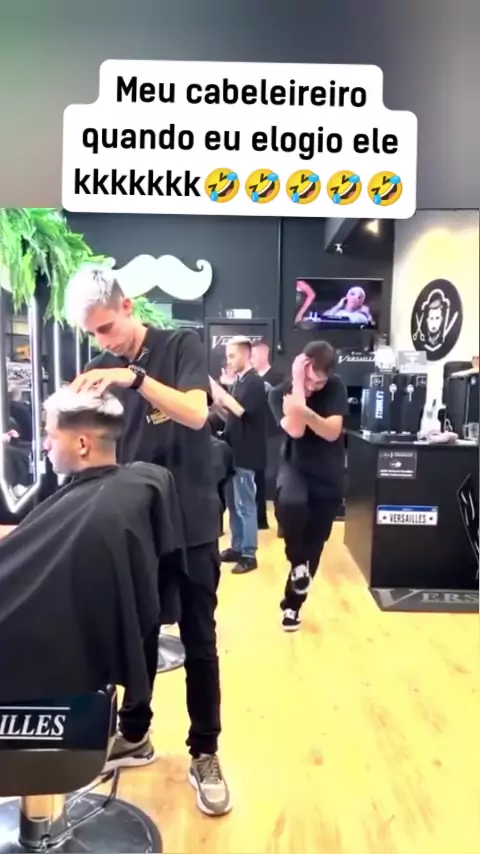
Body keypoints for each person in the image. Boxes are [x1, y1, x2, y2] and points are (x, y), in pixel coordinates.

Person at [63, 267, 231, 817]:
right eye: (93, 333)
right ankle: (134, 733)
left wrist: (131, 378)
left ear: (128, 306)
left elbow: (196, 413)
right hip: (135, 527)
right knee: (134, 638)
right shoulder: (98, 368)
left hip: (193, 521)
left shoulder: (181, 345)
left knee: (199, 641)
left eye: (107, 327)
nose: (103, 341)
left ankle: (204, 751)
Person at [0, 388, 187, 710]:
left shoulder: (97, 513)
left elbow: (39, 553)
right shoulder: (137, 482)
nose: (45, 445)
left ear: (82, 444)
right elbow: (39, 536)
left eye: (50, 435)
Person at [269, 341, 348, 632]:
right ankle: (297, 561)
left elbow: (332, 432)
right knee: (289, 504)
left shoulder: (335, 387)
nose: (314, 386)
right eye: (310, 379)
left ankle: (292, 605)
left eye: (320, 382)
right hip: (295, 467)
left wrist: (303, 411)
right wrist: (298, 386)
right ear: (300, 366)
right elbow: (296, 430)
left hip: (328, 474)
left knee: (314, 543)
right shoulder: (278, 393)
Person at [210, 337, 267, 574]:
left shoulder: (254, 383)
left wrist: (219, 393)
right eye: (228, 357)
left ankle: (249, 554)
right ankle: (237, 546)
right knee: (233, 505)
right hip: (233, 452)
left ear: (245, 355)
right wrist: (217, 406)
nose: (229, 361)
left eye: (233, 356)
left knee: (245, 505)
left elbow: (242, 411)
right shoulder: (240, 382)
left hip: (246, 454)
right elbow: (233, 418)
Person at [250, 339, 284, 529]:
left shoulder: (279, 378)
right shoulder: (250, 379)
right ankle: (260, 520)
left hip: (274, 434)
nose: (251, 359)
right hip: (255, 434)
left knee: (276, 478)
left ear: (264, 354)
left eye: (253, 355)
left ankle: (284, 524)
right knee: (257, 478)